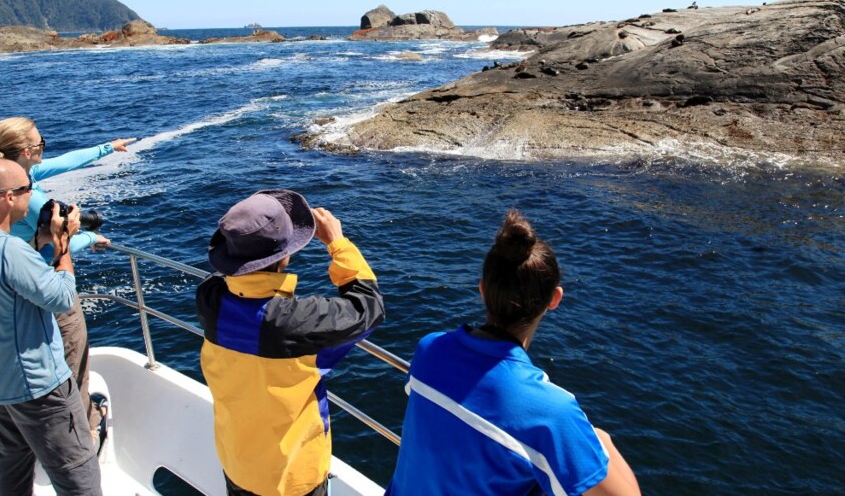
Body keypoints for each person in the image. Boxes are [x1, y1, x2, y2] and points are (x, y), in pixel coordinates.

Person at [387, 210, 640, 496]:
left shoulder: (429, 350)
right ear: (555, 299)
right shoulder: (552, 411)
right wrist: (601, 440)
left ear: (482, 290)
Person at [196, 190, 386, 496]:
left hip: (237, 463)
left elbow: (224, 279)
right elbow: (369, 308)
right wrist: (338, 243)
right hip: (292, 480)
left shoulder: (209, 299)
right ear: (285, 255)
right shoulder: (294, 323)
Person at [0, 158, 101, 495]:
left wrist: (45, 245)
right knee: (77, 469)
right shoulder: (9, 250)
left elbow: (14, 281)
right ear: (8, 197)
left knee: (13, 463)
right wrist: (63, 247)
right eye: (28, 190)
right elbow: (60, 296)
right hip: (39, 387)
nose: (35, 197)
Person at [0, 116, 134, 434]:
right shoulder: (32, 199)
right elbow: (57, 245)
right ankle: (86, 429)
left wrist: (107, 147)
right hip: (44, 282)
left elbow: (64, 162)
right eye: (40, 144)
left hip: (16, 282)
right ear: (25, 150)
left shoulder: (11, 177)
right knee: (72, 352)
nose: (43, 149)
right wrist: (92, 238)